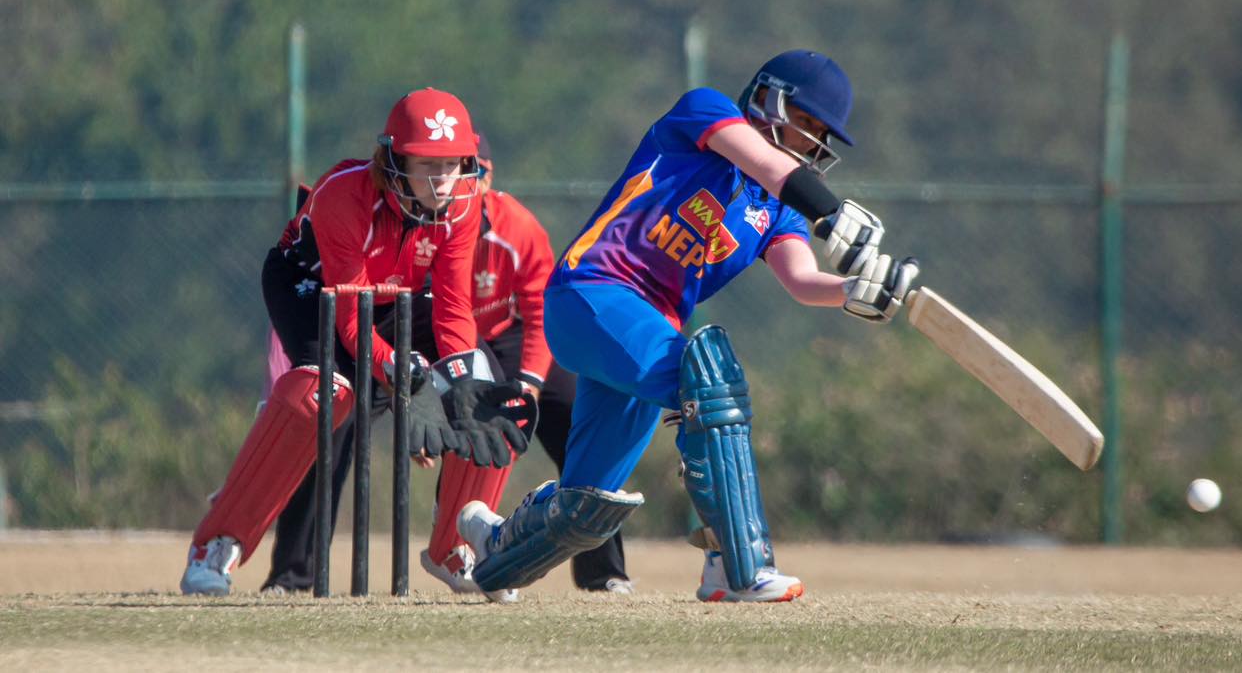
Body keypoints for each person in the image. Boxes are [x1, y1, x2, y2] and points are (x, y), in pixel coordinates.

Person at [456, 49, 920, 603]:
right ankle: (733, 563)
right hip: (593, 293)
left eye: (824, 134)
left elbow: (800, 278)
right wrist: (833, 212)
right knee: (709, 382)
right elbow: (773, 167)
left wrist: (851, 291)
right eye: (808, 123)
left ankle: (491, 546)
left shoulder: (777, 209)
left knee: (586, 506)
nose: (814, 143)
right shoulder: (705, 113)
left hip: (643, 330)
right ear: (769, 99)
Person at [181, 88, 531, 596]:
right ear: (393, 160)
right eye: (426, 165)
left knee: (484, 385)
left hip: (399, 294)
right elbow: (350, 323)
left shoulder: (462, 202)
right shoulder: (345, 195)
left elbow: (454, 305)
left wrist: (454, 383)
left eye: (453, 164)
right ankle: (216, 545)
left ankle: (458, 547)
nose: (443, 180)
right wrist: (405, 374)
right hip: (312, 286)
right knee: (319, 398)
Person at [259, 133, 632, 596]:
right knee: (335, 419)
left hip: (507, 336)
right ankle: (293, 573)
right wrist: (419, 403)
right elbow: (405, 311)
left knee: (571, 419)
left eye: (465, 171)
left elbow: (540, 311)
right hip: (428, 331)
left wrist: (529, 387)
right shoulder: (420, 221)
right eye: (438, 171)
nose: (451, 186)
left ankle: (601, 572)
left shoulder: (517, 227)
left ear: (484, 177)